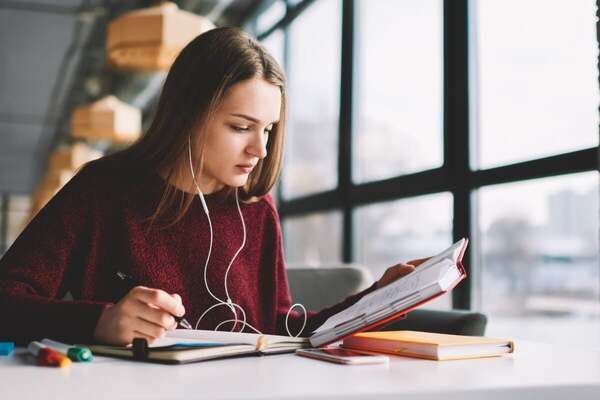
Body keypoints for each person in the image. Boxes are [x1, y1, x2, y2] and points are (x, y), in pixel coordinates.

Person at [0, 27, 424, 346]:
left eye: (269, 130)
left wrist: (377, 299)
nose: (260, 148)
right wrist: (99, 321)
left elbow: (280, 329)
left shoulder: (256, 210)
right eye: (241, 127)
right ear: (188, 115)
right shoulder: (102, 190)